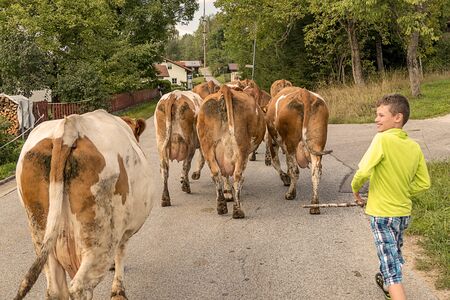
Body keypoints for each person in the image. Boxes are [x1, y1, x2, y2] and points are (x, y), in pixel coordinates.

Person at [351, 94, 431, 300]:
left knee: (391, 267)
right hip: (403, 214)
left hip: (382, 215)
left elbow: (363, 171)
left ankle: (392, 287)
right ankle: (387, 286)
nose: (376, 119)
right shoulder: (414, 147)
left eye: (380, 115)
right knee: (393, 253)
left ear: (398, 117)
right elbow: (424, 183)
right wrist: (402, 190)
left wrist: (355, 189)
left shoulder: (382, 139)